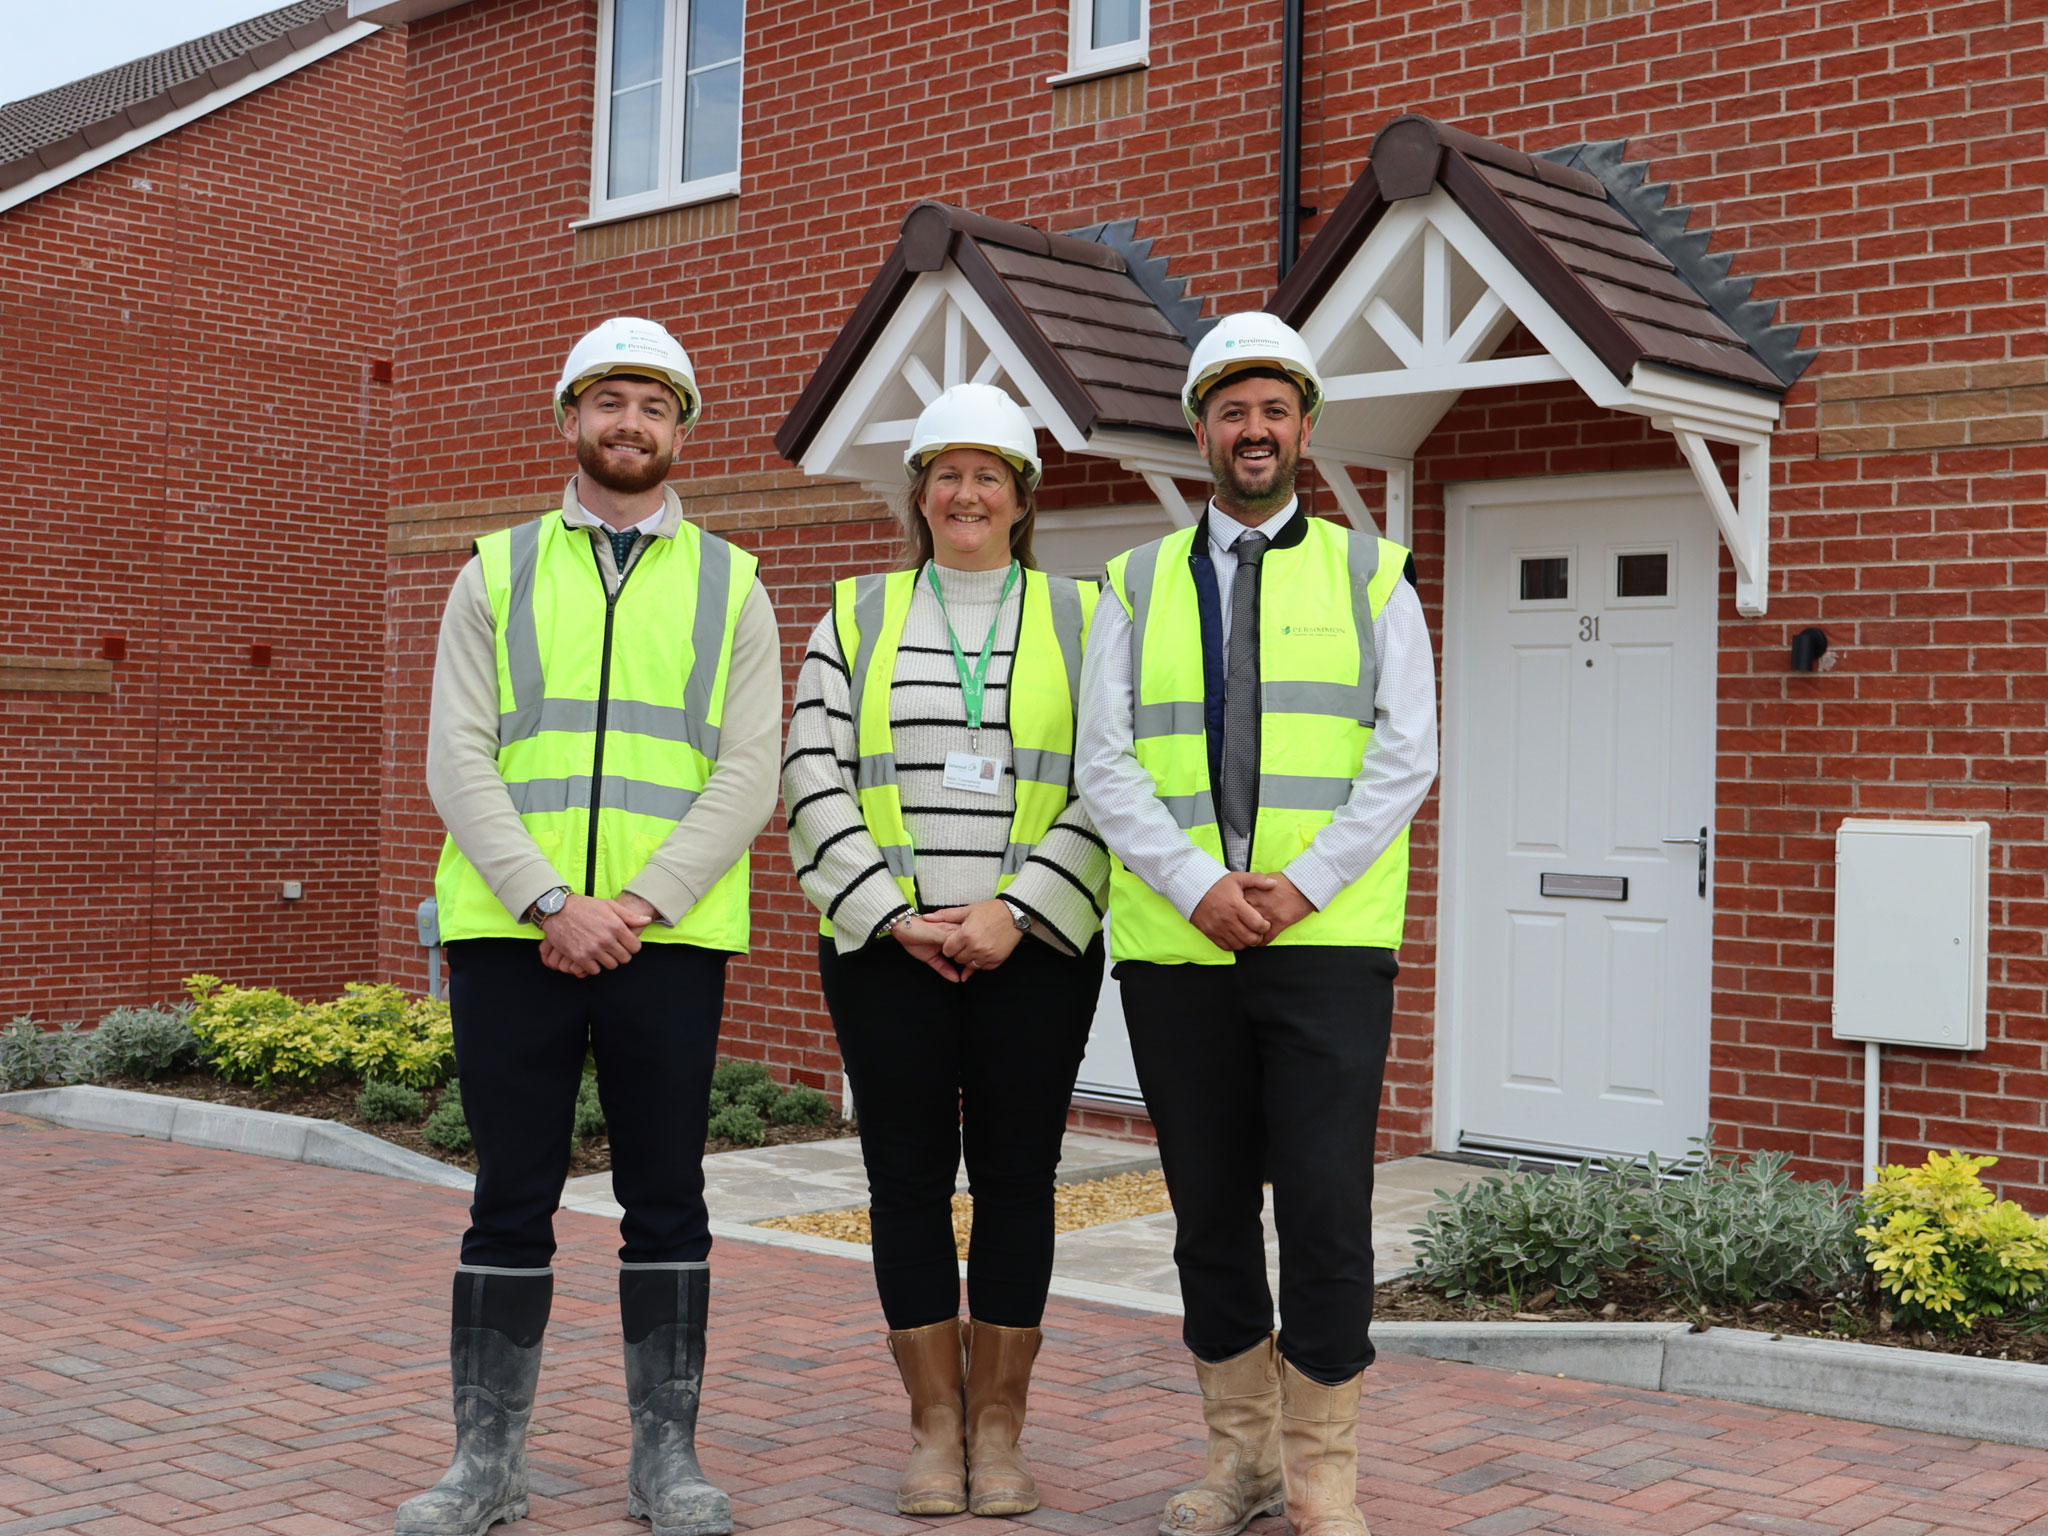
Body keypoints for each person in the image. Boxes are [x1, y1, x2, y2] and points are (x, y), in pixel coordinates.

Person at [402, 316, 782, 1536]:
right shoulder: (493, 570)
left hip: (661, 945)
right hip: (517, 939)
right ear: (568, 418)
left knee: (666, 1197)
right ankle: (486, 1465)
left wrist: (637, 903)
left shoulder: (733, 584)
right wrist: (551, 902)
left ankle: (662, 1464)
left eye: (654, 405)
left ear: (681, 431)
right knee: (509, 1194)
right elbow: (457, 758)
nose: (630, 424)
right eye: (608, 400)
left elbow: (747, 770)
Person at [1076, 312, 1438, 1536]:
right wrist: (1195, 884)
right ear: (1198, 430)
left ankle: (1322, 1471)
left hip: (1323, 946)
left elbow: (1404, 756)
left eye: (1272, 409)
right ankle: (1239, 1461)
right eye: (1229, 410)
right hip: (1181, 949)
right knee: (1209, 1208)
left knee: (1326, 1206)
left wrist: (1298, 886)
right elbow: (1106, 761)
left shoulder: (1369, 574)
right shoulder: (1129, 583)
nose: (1251, 430)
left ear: (1301, 428)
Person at [782, 382, 1109, 1518]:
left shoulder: (1084, 613)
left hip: (1036, 951)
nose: (966, 493)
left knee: (1019, 1182)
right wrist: (887, 911)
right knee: (906, 1181)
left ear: (1022, 497)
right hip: (887, 952)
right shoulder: (858, 614)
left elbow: (1113, 781)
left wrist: (1014, 910)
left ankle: (1000, 1426)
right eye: (946, 474)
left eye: (990, 475)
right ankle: (933, 1427)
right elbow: (809, 773)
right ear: (917, 491)